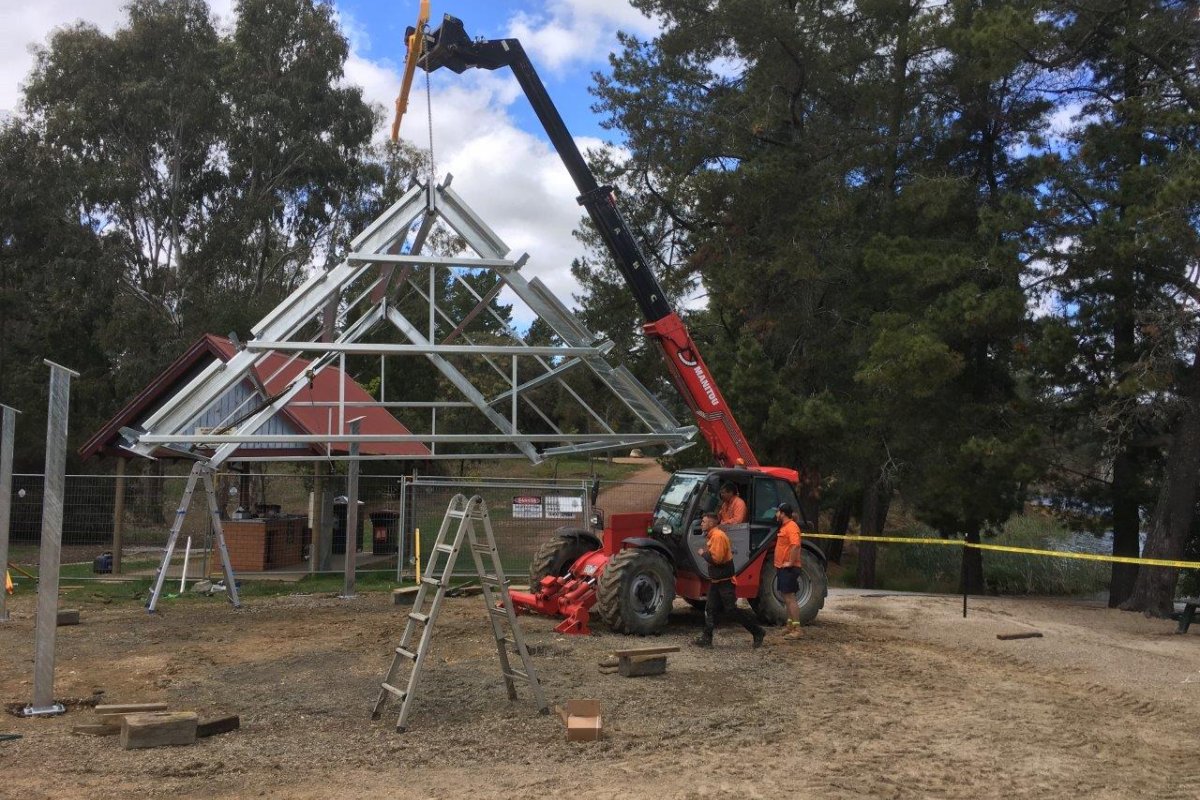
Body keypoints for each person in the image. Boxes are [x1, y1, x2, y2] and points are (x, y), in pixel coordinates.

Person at [693, 512, 765, 649]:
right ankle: (707, 638)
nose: (701, 523)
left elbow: (717, 559)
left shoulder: (718, 536)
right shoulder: (713, 535)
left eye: (704, 521)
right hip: (717, 581)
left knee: (731, 610)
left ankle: (758, 631)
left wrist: (703, 554)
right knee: (710, 608)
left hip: (724, 581)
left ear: (712, 524)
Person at [773, 503, 804, 639]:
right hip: (782, 568)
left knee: (790, 598)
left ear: (783, 513)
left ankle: (797, 629)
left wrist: (790, 562)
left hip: (789, 568)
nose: (776, 514)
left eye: (777, 512)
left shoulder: (791, 527)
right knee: (786, 598)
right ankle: (790, 626)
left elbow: (795, 545)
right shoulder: (785, 526)